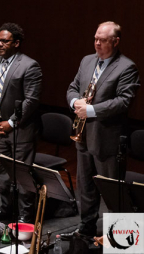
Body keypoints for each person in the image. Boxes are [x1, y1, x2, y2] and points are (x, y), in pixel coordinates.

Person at [62, 21, 140, 239]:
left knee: (113, 193)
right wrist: (75, 102)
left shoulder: (126, 67)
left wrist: (92, 110)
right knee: (86, 188)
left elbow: (124, 101)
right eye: (95, 38)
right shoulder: (87, 61)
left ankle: (124, 240)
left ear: (115, 41)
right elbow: (72, 87)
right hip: (84, 136)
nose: (97, 43)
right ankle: (86, 229)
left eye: (102, 40)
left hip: (108, 140)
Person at [0, 23, 42, 223]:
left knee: (22, 174)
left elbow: (31, 100)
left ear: (16, 43)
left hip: (21, 130)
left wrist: (11, 122)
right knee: (1, 172)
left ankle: (26, 215)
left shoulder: (29, 65)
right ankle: (6, 209)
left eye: (5, 41)